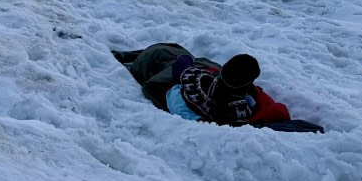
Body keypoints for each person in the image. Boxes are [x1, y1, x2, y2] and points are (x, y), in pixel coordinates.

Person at [117, 42, 290, 126]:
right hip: (187, 66)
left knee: (164, 53)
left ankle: (130, 56)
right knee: (174, 53)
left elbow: (181, 66)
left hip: (157, 63)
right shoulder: (244, 106)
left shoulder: (191, 89)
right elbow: (277, 110)